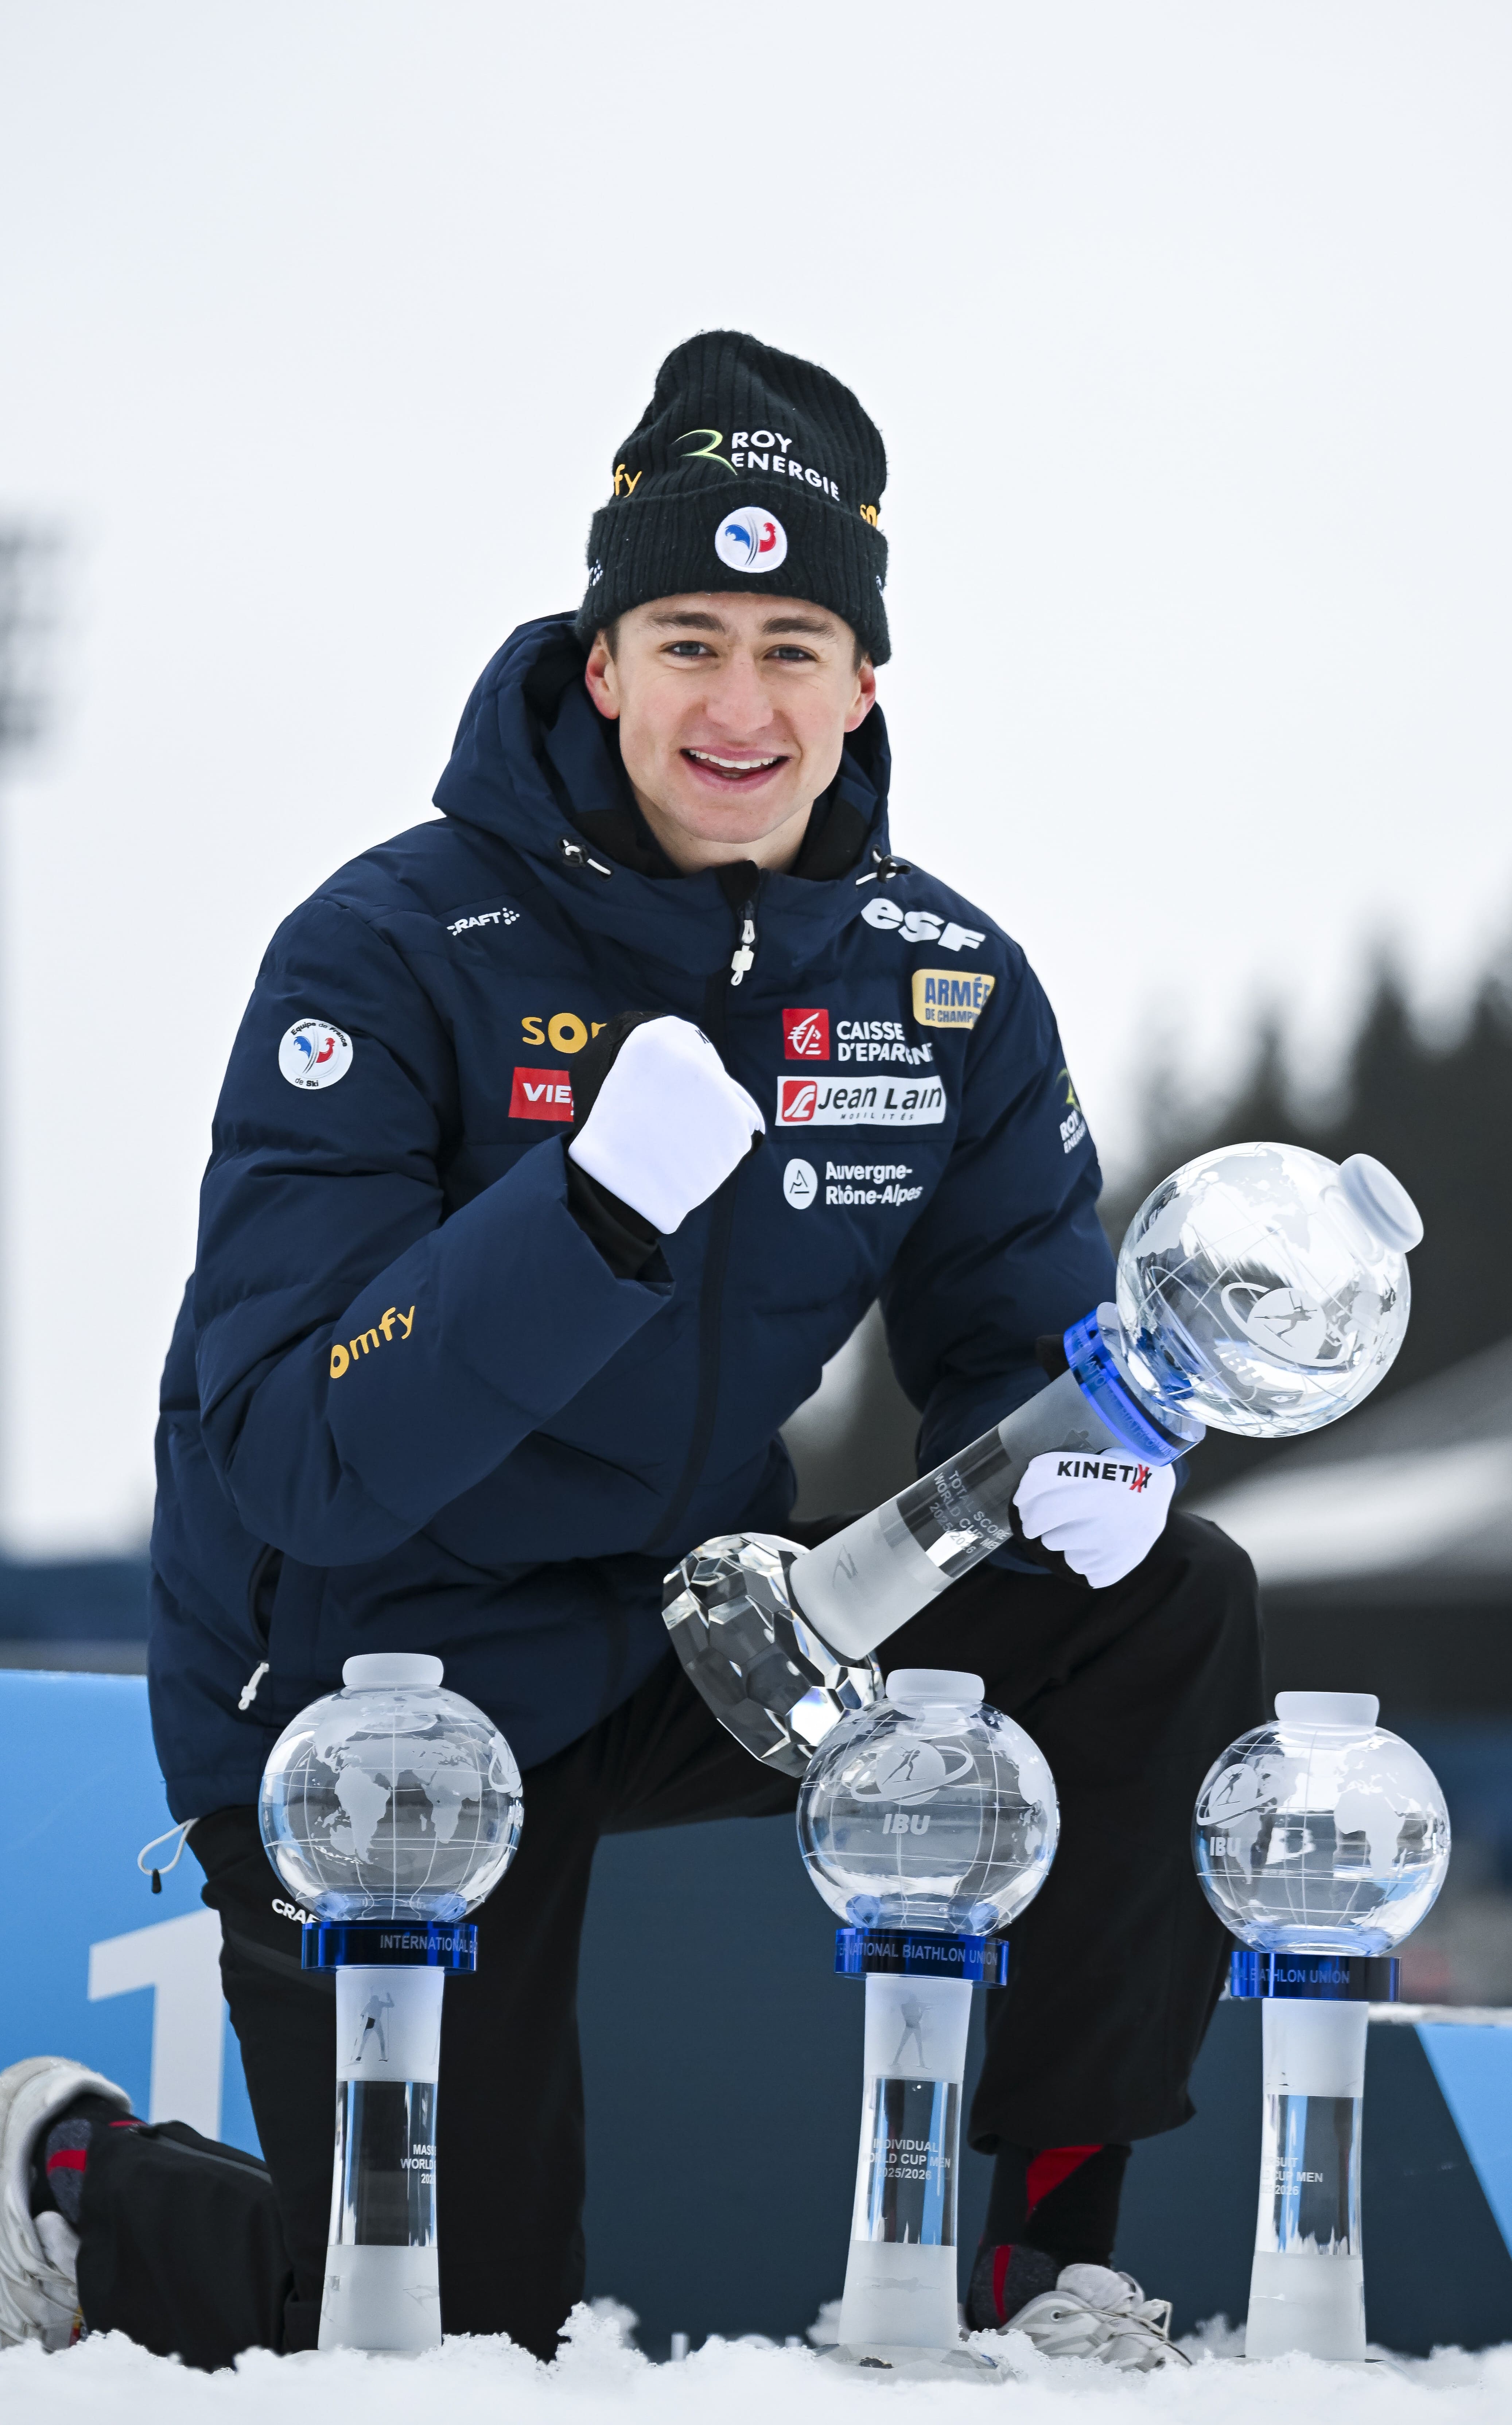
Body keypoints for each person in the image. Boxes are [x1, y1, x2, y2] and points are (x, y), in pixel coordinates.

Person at [0, 332, 1260, 2372]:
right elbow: (303, 1468)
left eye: (792, 644)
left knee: (1163, 1601)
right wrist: (583, 1217)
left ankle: (1045, 2275)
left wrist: (1082, 1449)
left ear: (866, 686)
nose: (737, 706)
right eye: (686, 638)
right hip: (361, 1693)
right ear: (598, 663)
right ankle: (77, 2187)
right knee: (438, 2336)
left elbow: (1008, 1332)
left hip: (697, 1636)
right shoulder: (388, 949)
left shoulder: (934, 989)